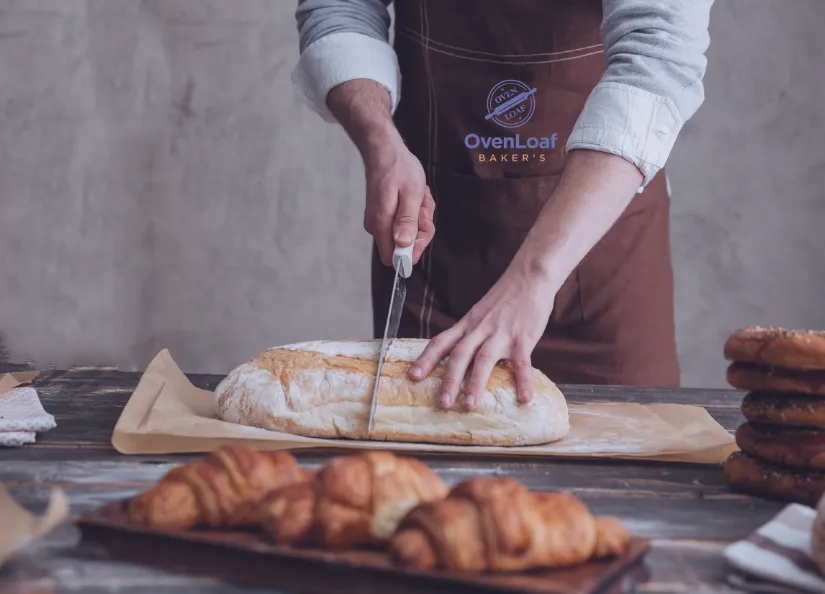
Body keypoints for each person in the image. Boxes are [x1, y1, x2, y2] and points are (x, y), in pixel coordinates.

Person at [292, 0, 713, 411]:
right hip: (437, 250)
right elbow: (340, 6)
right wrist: (381, 141)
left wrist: (535, 274)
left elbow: (657, 58)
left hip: (608, 261)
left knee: (633, 458)